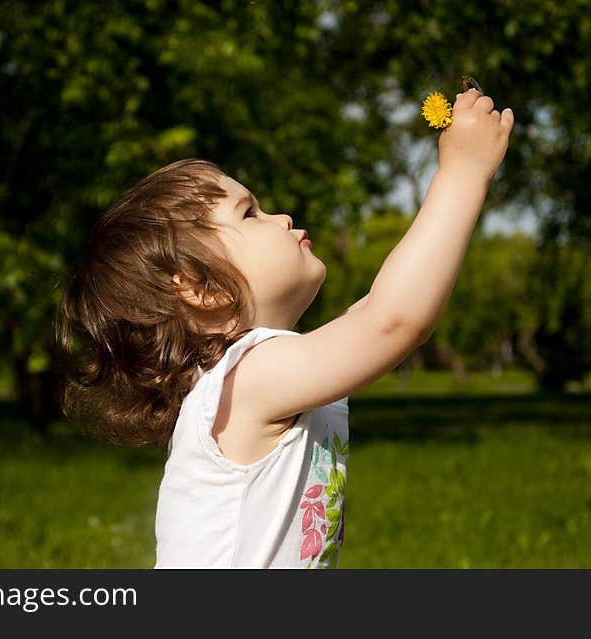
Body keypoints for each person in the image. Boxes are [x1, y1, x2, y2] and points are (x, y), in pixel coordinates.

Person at [55, 88, 514, 568]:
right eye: (250, 213)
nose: (282, 216)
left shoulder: (253, 376)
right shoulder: (248, 380)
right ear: (202, 288)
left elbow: (376, 313)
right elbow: (393, 320)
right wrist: (463, 173)